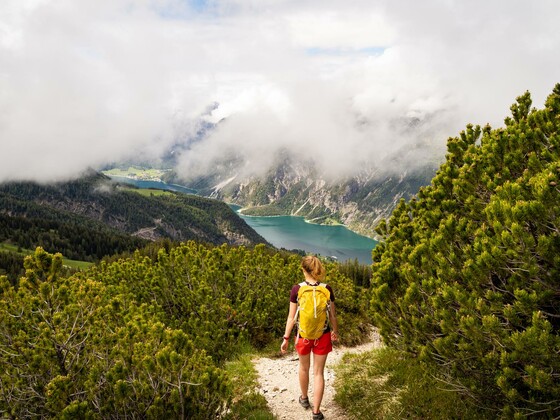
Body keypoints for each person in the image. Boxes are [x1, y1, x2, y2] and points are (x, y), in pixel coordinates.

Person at [281, 255, 339, 420]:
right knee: (318, 373)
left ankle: (305, 399)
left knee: (304, 368)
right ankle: (316, 412)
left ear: (303, 269)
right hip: (323, 334)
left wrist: (285, 338)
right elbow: (333, 316)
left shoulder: (297, 289)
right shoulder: (327, 288)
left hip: (303, 336)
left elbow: (291, 318)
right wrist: (335, 330)